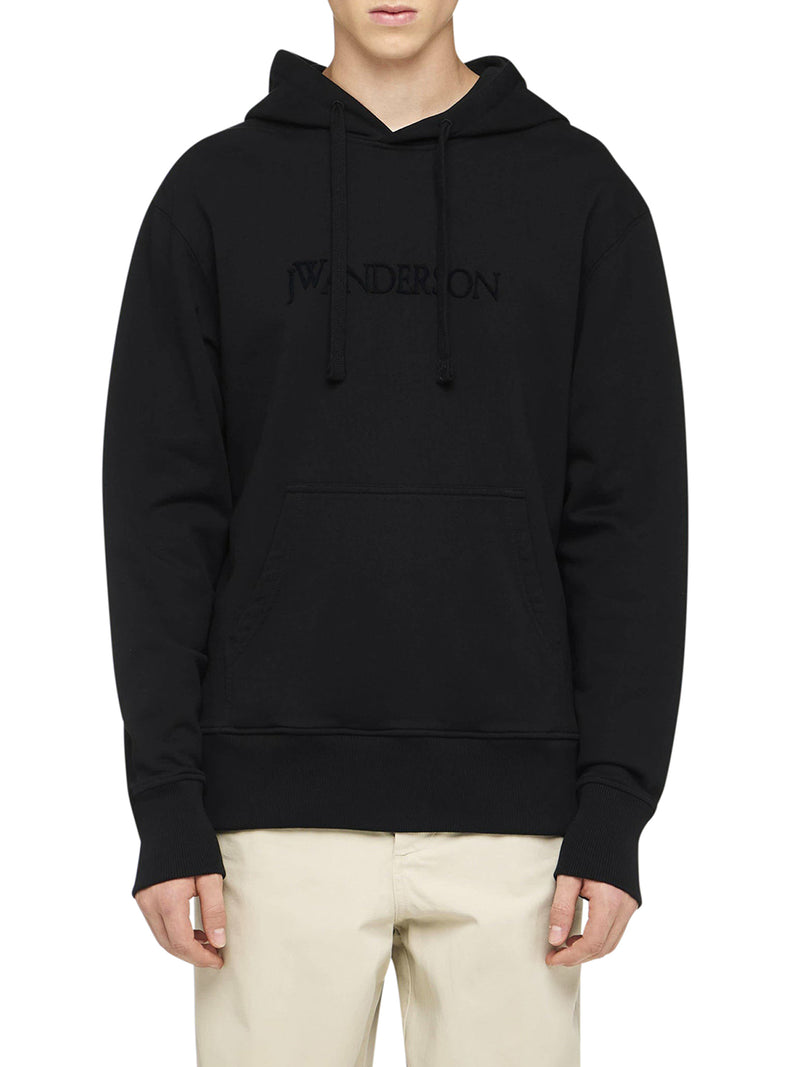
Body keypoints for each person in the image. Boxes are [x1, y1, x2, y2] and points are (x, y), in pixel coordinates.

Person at [103, 1, 687, 1064]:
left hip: (520, 831)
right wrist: (167, 803)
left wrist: (615, 803)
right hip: (267, 826)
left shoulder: (581, 194)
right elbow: (159, 517)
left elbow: (630, 522)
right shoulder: (213, 195)